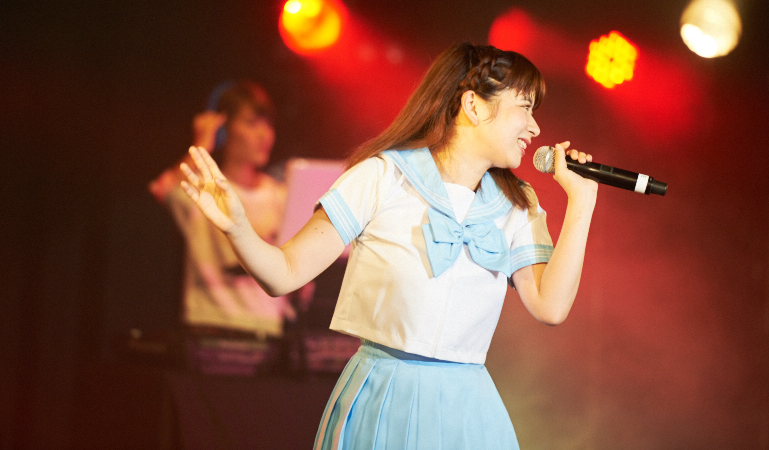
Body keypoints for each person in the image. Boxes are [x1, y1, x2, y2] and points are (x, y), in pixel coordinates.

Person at [179, 44, 598, 449]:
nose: (534, 128)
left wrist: (582, 202)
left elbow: (551, 306)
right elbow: (284, 273)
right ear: (473, 105)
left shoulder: (517, 204)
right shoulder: (383, 176)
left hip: (468, 408)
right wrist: (238, 228)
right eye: (524, 107)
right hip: (384, 395)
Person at [149, 80, 298, 339]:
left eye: (268, 125)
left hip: (267, 328)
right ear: (223, 131)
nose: (264, 135)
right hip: (209, 325)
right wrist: (201, 146)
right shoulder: (202, 188)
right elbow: (164, 189)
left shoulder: (281, 195)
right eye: (251, 123)